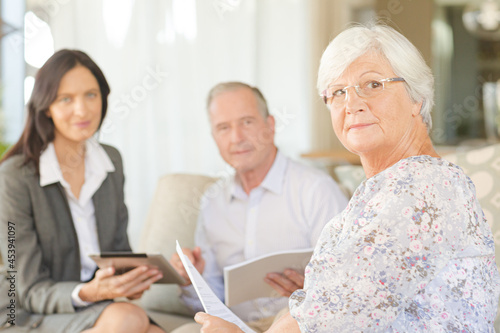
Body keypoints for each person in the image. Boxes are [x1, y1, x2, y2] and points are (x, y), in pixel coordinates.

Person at [194, 24, 500, 332]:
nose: (352, 104)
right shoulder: (384, 190)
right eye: (338, 92)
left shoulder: (423, 187)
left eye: (373, 85)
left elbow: (335, 320)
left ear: (416, 98)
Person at [0, 50, 165, 332]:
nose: (82, 110)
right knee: (128, 318)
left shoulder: (110, 161)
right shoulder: (15, 176)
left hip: (97, 308)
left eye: (91, 95)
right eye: (66, 99)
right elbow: (25, 288)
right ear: (46, 106)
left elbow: (117, 252)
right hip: (25, 311)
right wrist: (90, 293)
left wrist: (134, 279)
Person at [170, 82, 348, 332]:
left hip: (299, 323)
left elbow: (349, 288)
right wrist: (191, 280)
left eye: (247, 122)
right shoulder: (213, 202)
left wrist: (313, 293)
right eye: (223, 128)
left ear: (270, 126)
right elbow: (210, 304)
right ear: (214, 138)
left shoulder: (316, 190)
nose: (237, 138)